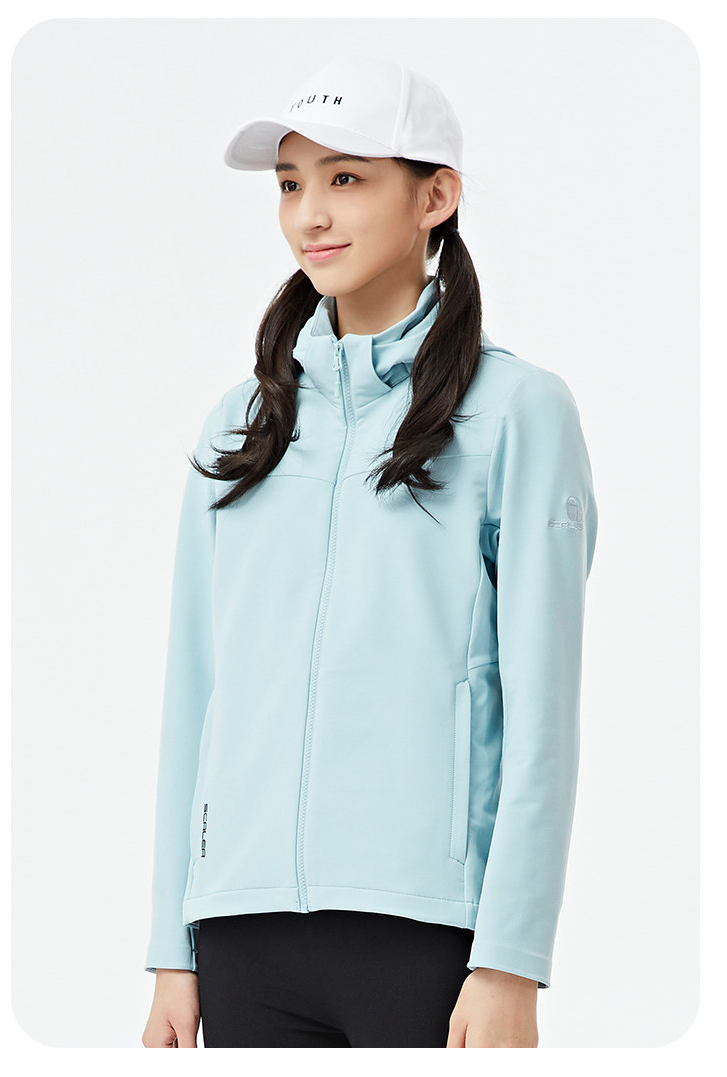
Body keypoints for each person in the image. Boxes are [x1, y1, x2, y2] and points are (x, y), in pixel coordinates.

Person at [141, 52, 598, 1049]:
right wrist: (172, 944)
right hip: (241, 932)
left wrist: (511, 954)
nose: (310, 215)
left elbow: (542, 710)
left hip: (428, 935)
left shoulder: (519, 412)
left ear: (435, 197)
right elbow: (196, 694)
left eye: (346, 178)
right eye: (290, 184)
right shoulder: (241, 425)